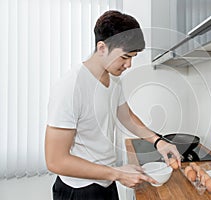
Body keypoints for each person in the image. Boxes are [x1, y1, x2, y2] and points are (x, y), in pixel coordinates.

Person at [45, 10, 181, 200]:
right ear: (102, 48)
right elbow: (55, 161)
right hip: (79, 190)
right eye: (125, 57)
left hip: (106, 181)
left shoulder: (114, 81)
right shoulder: (71, 86)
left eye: (133, 57)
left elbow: (127, 117)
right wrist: (118, 173)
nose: (129, 65)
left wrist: (159, 142)